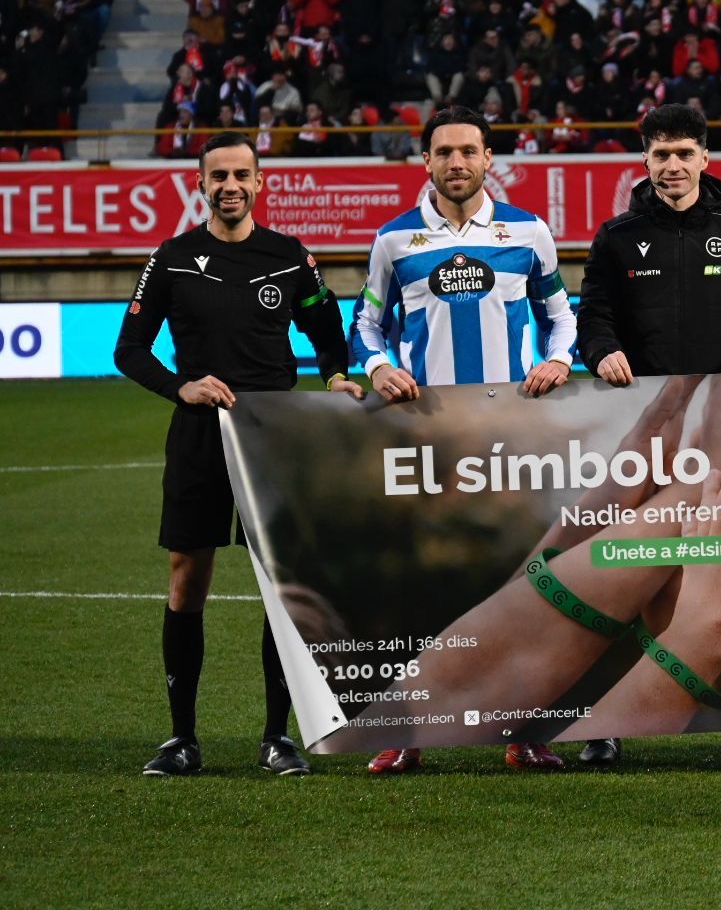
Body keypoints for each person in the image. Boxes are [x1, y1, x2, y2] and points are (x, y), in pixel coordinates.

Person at [114, 131, 362, 777]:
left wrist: (335, 375)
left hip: (273, 436)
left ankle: (277, 738)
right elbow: (129, 349)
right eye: (218, 175)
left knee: (280, 588)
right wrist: (181, 386)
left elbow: (328, 333)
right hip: (199, 434)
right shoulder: (170, 258)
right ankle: (181, 739)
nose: (230, 185)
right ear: (201, 184)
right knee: (185, 578)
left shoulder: (288, 257)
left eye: (241, 175)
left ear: (259, 183)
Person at [349, 105, 579, 774]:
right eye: (444, 151)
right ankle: (408, 733)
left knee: (522, 583)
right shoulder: (394, 240)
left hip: (511, 432)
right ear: (425, 161)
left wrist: (560, 360)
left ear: (487, 159)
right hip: (428, 437)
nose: (456, 162)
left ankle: (526, 729)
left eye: (468, 151)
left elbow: (560, 315)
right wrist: (379, 365)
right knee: (424, 583)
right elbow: (366, 325)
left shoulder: (528, 231)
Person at [575, 102, 721, 765]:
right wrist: (601, 351)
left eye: (683, 154)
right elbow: (594, 315)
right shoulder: (616, 236)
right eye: (659, 154)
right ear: (644, 161)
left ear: (705, 158)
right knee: (632, 577)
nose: (671, 166)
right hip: (642, 432)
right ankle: (606, 724)